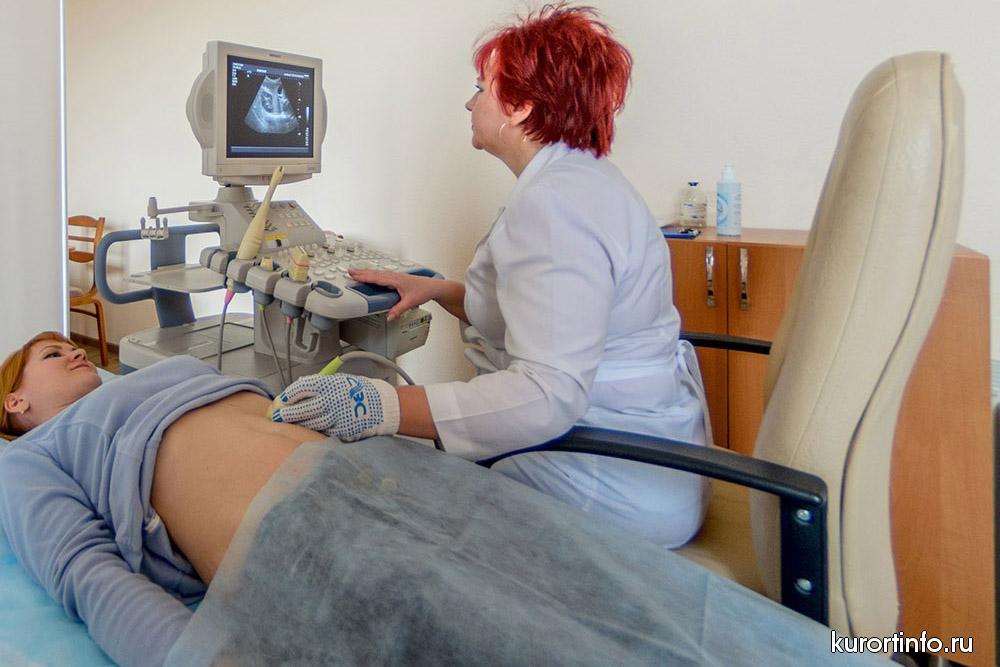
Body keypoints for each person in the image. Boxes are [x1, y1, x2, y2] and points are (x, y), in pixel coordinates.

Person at [272, 3, 711, 548]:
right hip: (652, 460)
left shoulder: (555, 207)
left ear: (522, 106)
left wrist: (374, 404)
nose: (469, 101)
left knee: (372, 504)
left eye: (481, 88)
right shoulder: (583, 183)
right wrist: (441, 290)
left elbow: (546, 396)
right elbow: (549, 314)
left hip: (608, 479)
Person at [0, 332, 328, 666]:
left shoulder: (146, 380)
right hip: (298, 542)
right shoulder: (26, 455)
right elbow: (86, 571)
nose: (78, 354)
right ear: (15, 401)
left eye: (74, 348)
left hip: (348, 460)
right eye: (53, 354)